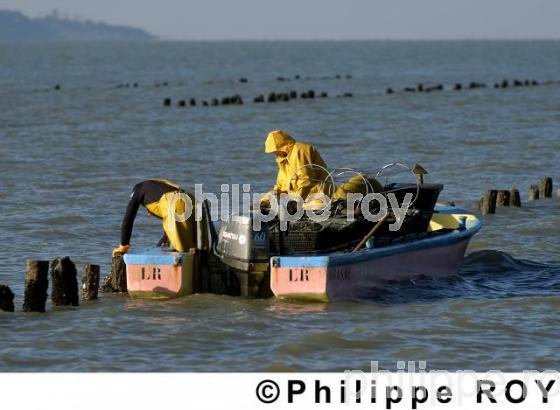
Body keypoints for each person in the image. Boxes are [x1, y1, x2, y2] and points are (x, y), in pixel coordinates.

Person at [112, 179, 196, 256]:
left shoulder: (138, 189)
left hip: (175, 202)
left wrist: (123, 245)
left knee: (183, 252)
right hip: (191, 200)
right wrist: (158, 246)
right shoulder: (158, 187)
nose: (149, 214)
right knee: (198, 246)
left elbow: (128, 218)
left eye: (148, 211)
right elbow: (167, 236)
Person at [262, 130, 332, 207]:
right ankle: (259, 207)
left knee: (310, 206)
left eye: (276, 151)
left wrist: (297, 202)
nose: (275, 154)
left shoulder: (300, 150)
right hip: (295, 196)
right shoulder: (283, 159)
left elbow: (306, 180)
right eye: (274, 152)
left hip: (317, 195)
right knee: (270, 195)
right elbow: (281, 186)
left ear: (282, 147)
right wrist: (271, 197)